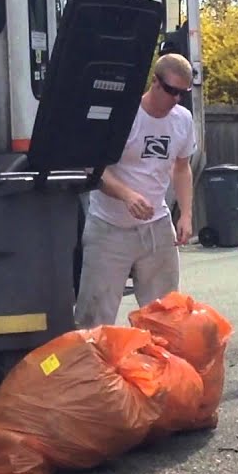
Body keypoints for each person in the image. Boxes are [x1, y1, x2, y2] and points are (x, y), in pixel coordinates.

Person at [74, 53, 198, 329]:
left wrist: (186, 214)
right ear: (154, 82)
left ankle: (158, 369)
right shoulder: (123, 116)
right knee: (94, 317)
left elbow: (181, 167)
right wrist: (127, 195)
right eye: (171, 91)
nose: (176, 99)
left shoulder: (182, 120)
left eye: (182, 93)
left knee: (166, 316)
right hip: (109, 226)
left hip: (156, 227)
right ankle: (93, 370)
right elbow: (94, 167)